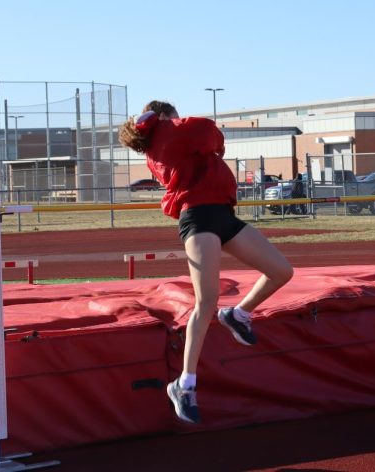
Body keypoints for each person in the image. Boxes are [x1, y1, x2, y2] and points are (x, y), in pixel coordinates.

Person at [119, 100, 294, 424]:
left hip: (222, 214)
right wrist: (205, 141)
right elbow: (210, 132)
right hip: (198, 219)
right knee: (206, 300)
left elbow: (206, 140)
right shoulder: (171, 133)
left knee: (281, 270)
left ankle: (239, 315)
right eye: (174, 116)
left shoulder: (161, 139)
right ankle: (184, 384)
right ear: (165, 117)